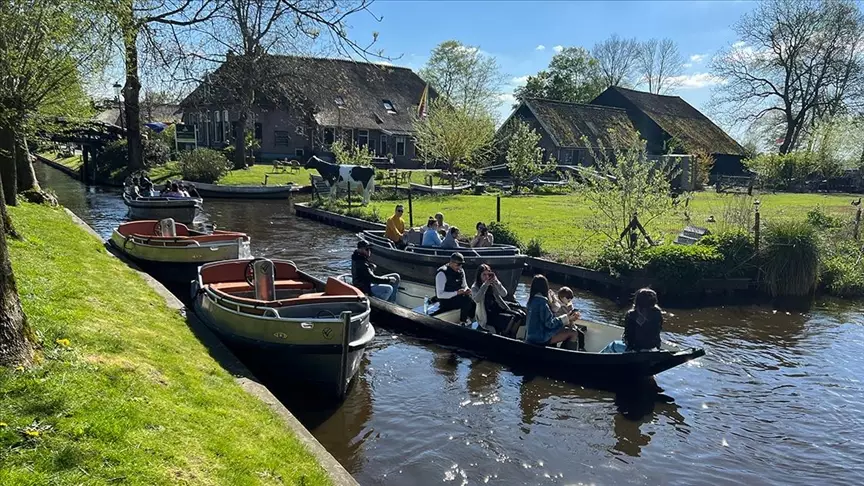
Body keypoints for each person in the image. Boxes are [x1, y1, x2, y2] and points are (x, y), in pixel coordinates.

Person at [525, 274, 582, 348]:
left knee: (566, 330)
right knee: (573, 333)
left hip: (530, 336)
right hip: (540, 338)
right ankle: (567, 355)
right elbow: (550, 324)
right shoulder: (542, 303)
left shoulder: (531, 301)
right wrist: (567, 318)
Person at [601, 288, 663, 353]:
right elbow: (657, 332)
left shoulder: (631, 314)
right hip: (652, 349)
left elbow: (628, 337)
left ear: (637, 300)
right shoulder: (657, 314)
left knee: (613, 345)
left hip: (635, 351)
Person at [471, 264, 520, 335]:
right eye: (484, 275)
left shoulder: (493, 283)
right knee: (511, 318)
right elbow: (477, 299)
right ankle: (505, 335)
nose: (486, 277)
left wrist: (496, 282)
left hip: (497, 309)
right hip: (487, 315)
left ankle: (510, 335)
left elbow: (504, 294)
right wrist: (485, 285)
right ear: (479, 275)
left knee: (519, 316)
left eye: (488, 274)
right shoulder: (475, 287)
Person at [435, 252, 475, 324]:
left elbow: (465, 285)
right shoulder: (442, 273)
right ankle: (463, 321)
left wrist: (467, 290)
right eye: (458, 264)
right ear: (451, 262)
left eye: (461, 264)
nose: (460, 267)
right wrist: (456, 293)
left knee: (474, 298)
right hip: (446, 301)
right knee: (467, 299)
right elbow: (439, 295)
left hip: (458, 297)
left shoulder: (461, 271)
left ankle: (472, 319)